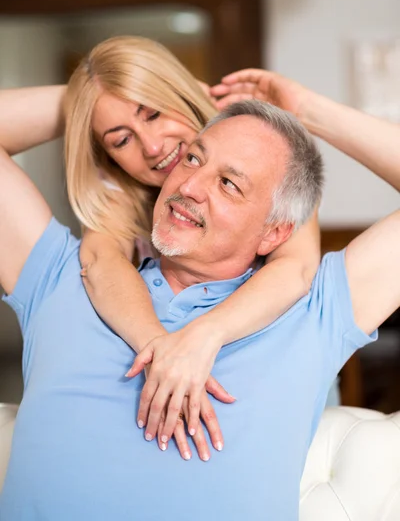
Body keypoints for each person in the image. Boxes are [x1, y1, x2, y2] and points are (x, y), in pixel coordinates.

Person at [1, 91, 400, 520]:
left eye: (229, 184)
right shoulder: (63, 277)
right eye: (192, 159)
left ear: (273, 233)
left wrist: (305, 107)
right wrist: (95, 97)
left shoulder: (314, 313)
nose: (188, 186)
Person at [0, 37, 322, 459]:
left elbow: (296, 270)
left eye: (153, 112)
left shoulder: (265, 160)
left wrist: (202, 337)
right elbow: (100, 260)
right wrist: (85, 94)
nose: (152, 147)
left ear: (179, 91)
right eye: (120, 139)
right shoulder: (117, 190)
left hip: (268, 387)